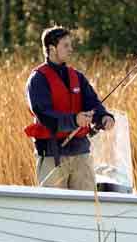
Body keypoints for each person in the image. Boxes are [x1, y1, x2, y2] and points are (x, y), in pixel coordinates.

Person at [25, 26, 115, 190]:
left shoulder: (77, 77)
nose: (70, 49)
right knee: (54, 210)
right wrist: (74, 120)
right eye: (65, 45)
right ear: (52, 49)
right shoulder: (37, 79)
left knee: (87, 208)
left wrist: (104, 117)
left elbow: (92, 103)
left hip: (81, 155)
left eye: (70, 45)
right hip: (53, 156)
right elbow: (45, 115)